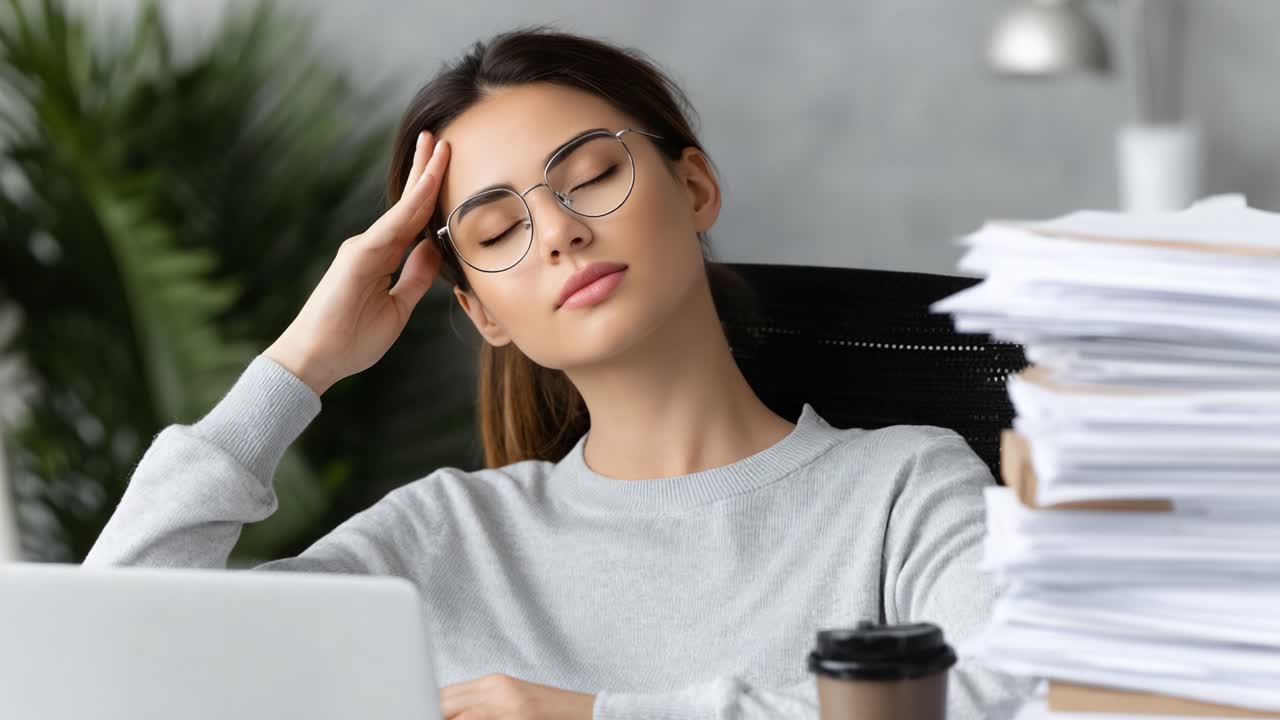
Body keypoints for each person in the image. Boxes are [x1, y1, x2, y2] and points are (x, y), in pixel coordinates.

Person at [85, 27, 1032, 720]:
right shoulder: (443, 538)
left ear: (695, 187)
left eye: (588, 177)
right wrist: (298, 366)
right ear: (482, 313)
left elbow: (1021, 700)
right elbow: (109, 665)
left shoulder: (900, 490)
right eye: (497, 231)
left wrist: (592, 718)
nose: (561, 233)